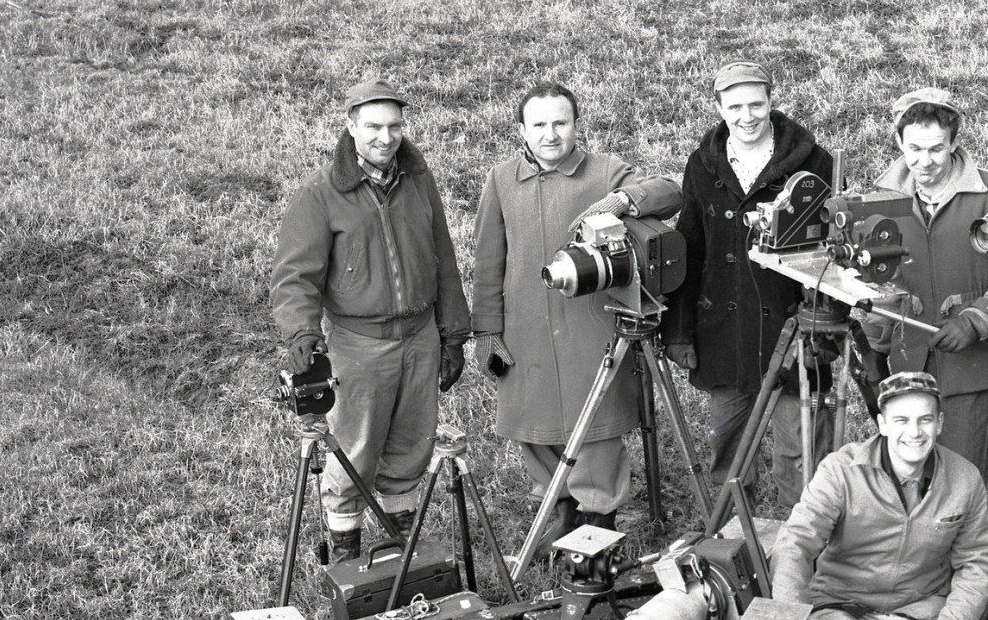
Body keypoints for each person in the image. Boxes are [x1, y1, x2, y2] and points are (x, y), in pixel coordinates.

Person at [469, 80, 682, 535]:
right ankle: (558, 515)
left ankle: (598, 520)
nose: (551, 134)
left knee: (598, 429)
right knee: (534, 425)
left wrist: (625, 200)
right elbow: (488, 261)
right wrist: (487, 328)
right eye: (539, 124)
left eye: (561, 122)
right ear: (521, 130)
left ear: (576, 124)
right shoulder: (501, 180)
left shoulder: (604, 171)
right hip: (524, 330)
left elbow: (669, 191)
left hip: (592, 331)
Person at [271, 79, 471, 562]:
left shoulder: (420, 182)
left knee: (411, 446)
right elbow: (295, 276)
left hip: (420, 338)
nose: (386, 137)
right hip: (358, 346)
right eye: (374, 127)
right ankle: (346, 557)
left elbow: (442, 258)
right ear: (351, 126)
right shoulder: (319, 195)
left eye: (395, 126)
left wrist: (453, 335)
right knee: (353, 454)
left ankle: (401, 549)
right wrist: (302, 331)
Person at [663, 59, 839, 515]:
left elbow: (835, 252)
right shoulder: (702, 166)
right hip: (723, 333)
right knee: (730, 451)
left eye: (756, 104)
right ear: (719, 107)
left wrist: (827, 329)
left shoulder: (814, 163)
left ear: (770, 102)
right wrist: (680, 331)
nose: (747, 116)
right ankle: (732, 542)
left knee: (800, 454)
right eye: (735, 106)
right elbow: (691, 250)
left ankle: (804, 546)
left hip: (795, 334)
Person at [773, 371, 988, 620]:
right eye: (902, 420)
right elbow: (795, 543)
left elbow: (977, 562)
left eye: (925, 420)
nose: (915, 432)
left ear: (940, 422)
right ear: (883, 424)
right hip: (843, 607)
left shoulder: (965, 479)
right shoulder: (841, 471)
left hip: (917, 611)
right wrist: (788, 615)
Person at [861, 88, 988, 478]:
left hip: (970, 364)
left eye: (935, 149)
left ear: (955, 143)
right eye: (913, 149)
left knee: (964, 478)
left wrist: (974, 321)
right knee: (910, 475)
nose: (923, 162)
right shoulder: (881, 198)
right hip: (907, 362)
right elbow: (880, 282)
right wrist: (875, 347)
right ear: (897, 141)